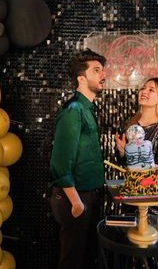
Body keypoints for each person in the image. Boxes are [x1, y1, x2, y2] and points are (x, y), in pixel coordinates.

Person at [49, 49, 106, 269]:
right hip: (75, 198)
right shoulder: (74, 110)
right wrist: (76, 202)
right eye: (97, 70)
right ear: (81, 78)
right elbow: (60, 164)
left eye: (103, 70)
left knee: (83, 259)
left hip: (87, 197)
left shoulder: (87, 109)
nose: (103, 75)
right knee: (72, 261)